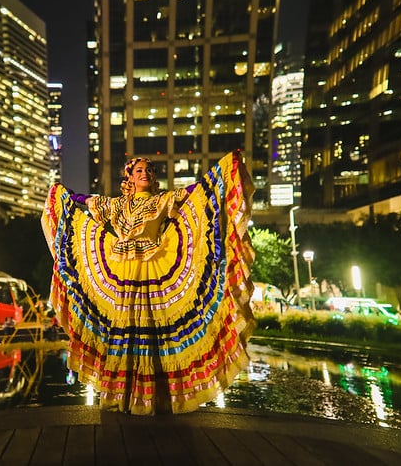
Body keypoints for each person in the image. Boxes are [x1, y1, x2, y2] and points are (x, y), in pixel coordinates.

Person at [41, 151, 255, 415]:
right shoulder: (115, 205)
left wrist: (220, 173)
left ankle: (158, 398)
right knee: (123, 330)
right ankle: (121, 396)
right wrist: (63, 194)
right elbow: (84, 200)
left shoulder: (162, 200)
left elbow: (196, 191)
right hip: (120, 271)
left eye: (149, 171)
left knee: (153, 330)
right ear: (129, 177)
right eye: (139, 171)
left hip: (155, 267)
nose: (145, 174)